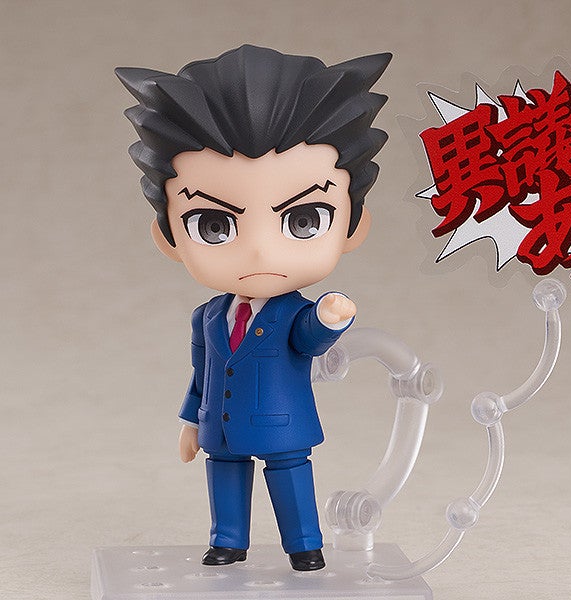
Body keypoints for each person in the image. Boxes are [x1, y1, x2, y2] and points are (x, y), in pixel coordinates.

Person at [116, 45, 391, 571]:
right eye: (214, 225)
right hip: (220, 425)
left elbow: (307, 338)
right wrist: (190, 420)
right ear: (168, 237)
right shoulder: (207, 316)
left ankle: (305, 546)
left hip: (282, 422)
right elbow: (202, 371)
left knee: (290, 477)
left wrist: (330, 318)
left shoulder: (292, 311)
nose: (260, 252)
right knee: (224, 476)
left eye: (304, 220)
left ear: (353, 225)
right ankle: (227, 541)